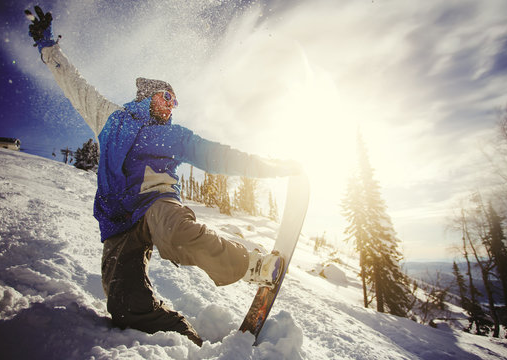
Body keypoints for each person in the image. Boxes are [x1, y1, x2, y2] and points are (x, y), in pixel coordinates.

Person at [26, 6, 301, 346]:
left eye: (175, 102)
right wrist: (47, 47)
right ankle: (182, 335)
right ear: (148, 96)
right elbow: (74, 84)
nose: (171, 106)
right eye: (167, 97)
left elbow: (214, 154)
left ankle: (254, 266)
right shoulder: (111, 119)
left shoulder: (173, 136)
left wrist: (267, 166)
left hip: (157, 204)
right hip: (120, 222)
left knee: (178, 235)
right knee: (124, 305)